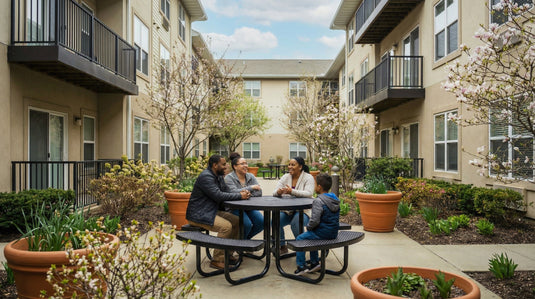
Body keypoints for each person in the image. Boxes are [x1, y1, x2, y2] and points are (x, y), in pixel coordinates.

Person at [186, 154, 251, 270]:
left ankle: (228, 254)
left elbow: (227, 191)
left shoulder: (218, 176)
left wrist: (243, 193)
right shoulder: (206, 177)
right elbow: (218, 195)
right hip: (199, 214)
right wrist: (239, 196)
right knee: (226, 227)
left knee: (237, 221)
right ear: (215, 165)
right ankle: (217, 259)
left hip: (211, 211)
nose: (226, 166)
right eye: (223, 164)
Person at [294, 173, 340, 275]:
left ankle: (301, 266)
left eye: (315, 184)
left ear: (319, 187)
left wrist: (309, 227)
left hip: (322, 233)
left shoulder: (318, 201)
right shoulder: (334, 198)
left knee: (300, 239)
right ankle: (314, 263)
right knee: (312, 237)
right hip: (333, 232)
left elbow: (314, 220)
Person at [273, 156, 315, 254]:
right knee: (275, 220)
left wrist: (292, 191)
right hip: (289, 210)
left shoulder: (308, 177)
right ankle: (282, 246)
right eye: (289, 164)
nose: (290, 167)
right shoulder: (286, 177)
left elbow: (309, 193)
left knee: (296, 224)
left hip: (303, 211)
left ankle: (301, 247)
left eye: (293, 165)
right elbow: (274, 192)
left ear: (300, 167)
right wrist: (279, 192)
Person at [225, 156, 264, 239]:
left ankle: (244, 241)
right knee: (247, 224)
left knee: (262, 222)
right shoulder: (229, 178)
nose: (245, 165)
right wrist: (251, 188)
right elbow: (232, 192)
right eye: (242, 164)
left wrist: (246, 195)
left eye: (246, 163)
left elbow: (259, 192)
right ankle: (242, 244)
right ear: (235, 166)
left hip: (249, 207)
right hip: (234, 208)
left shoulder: (251, 176)